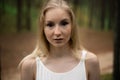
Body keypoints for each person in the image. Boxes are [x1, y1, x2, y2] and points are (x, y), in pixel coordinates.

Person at [19, 0, 100, 80]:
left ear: (72, 26)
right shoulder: (30, 66)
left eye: (64, 23)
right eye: (50, 25)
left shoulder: (90, 62)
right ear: (42, 29)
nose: (57, 32)